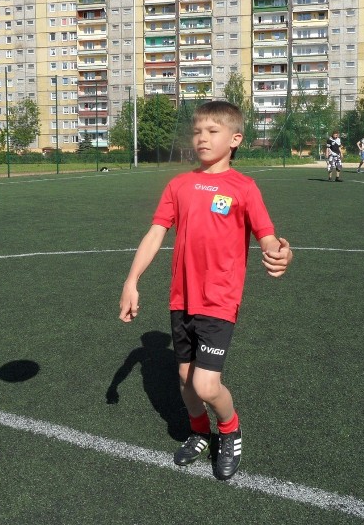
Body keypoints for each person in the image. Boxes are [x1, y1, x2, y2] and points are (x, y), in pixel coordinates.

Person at [118, 100, 293, 481]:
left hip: (219, 300)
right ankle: (200, 432)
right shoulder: (178, 185)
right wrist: (131, 281)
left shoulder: (244, 188)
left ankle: (229, 430)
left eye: (212, 132)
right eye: (197, 131)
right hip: (182, 299)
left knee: (205, 383)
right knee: (184, 380)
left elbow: (266, 235)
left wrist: (278, 252)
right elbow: (155, 234)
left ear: (235, 139)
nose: (202, 138)